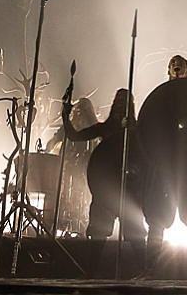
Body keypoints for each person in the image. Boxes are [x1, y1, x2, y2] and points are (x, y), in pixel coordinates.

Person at [140, 55, 187, 279]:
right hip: (164, 165)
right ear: (169, 69)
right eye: (173, 63)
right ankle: (150, 269)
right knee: (157, 217)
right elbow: (152, 126)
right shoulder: (160, 98)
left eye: (180, 63)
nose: (176, 66)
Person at [61, 90, 145, 275]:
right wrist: (65, 116)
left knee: (135, 232)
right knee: (99, 231)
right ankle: (91, 272)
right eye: (119, 102)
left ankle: (146, 271)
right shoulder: (104, 129)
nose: (121, 106)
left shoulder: (138, 131)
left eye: (125, 102)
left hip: (129, 188)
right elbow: (74, 136)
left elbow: (147, 155)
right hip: (106, 187)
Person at [45, 97, 99, 235]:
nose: (80, 115)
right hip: (64, 167)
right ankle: (54, 223)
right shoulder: (68, 126)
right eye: (78, 111)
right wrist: (46, 153)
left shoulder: (94, 128)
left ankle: (81, 224)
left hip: (84, 170)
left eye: (83, 111)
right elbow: (54, 140)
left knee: (81, 195)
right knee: (59, 194)